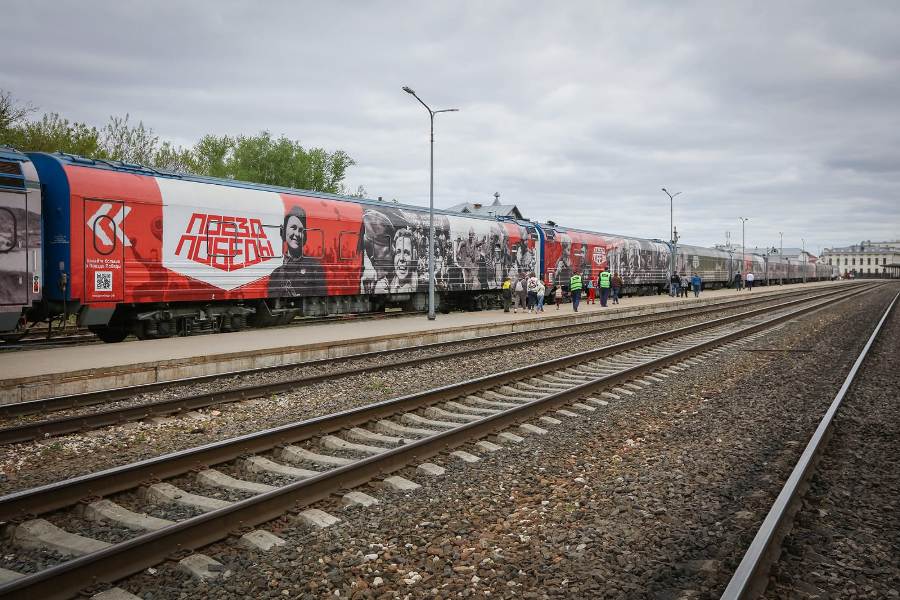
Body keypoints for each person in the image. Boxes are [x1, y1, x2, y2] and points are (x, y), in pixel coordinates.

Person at [269, 206, 327, 297]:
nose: (297, 234)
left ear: (305, 236)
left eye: (301, 230)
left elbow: (322, 297)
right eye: (293, 227)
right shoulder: (275, 274)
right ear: (284, 232)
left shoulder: (314, 267)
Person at [389, 227, 417, 293]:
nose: (401, 258)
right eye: (398, 252)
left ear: (413, 257)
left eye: (406, 253)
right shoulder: (388, 285)